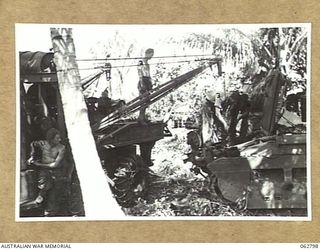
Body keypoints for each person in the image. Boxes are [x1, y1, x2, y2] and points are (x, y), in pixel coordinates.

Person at [27, 128, 66, 215]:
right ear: (51, 139)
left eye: (59, 138)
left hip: (57, 171)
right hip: (44, 172)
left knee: (54, 194)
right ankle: (41, 199)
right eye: (57, 138)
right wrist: (32, 156)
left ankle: (49, 212)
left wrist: (38, 164)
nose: (59, 140)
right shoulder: (43, 143)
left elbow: (55, 164)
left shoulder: (62, 148)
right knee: (44, 186)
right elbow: (32, 144)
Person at [137, 48, 154, 125]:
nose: (152, 56)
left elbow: (148, 74)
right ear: (148, 53)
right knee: (143, 101)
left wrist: (150, 83)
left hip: (147, 81)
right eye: (151, 54)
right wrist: (142, 83)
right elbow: (140, 73)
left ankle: (143, 117)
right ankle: (141, 118)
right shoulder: (141, 61)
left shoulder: (147, 63)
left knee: (147, 100)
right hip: (143, 81)